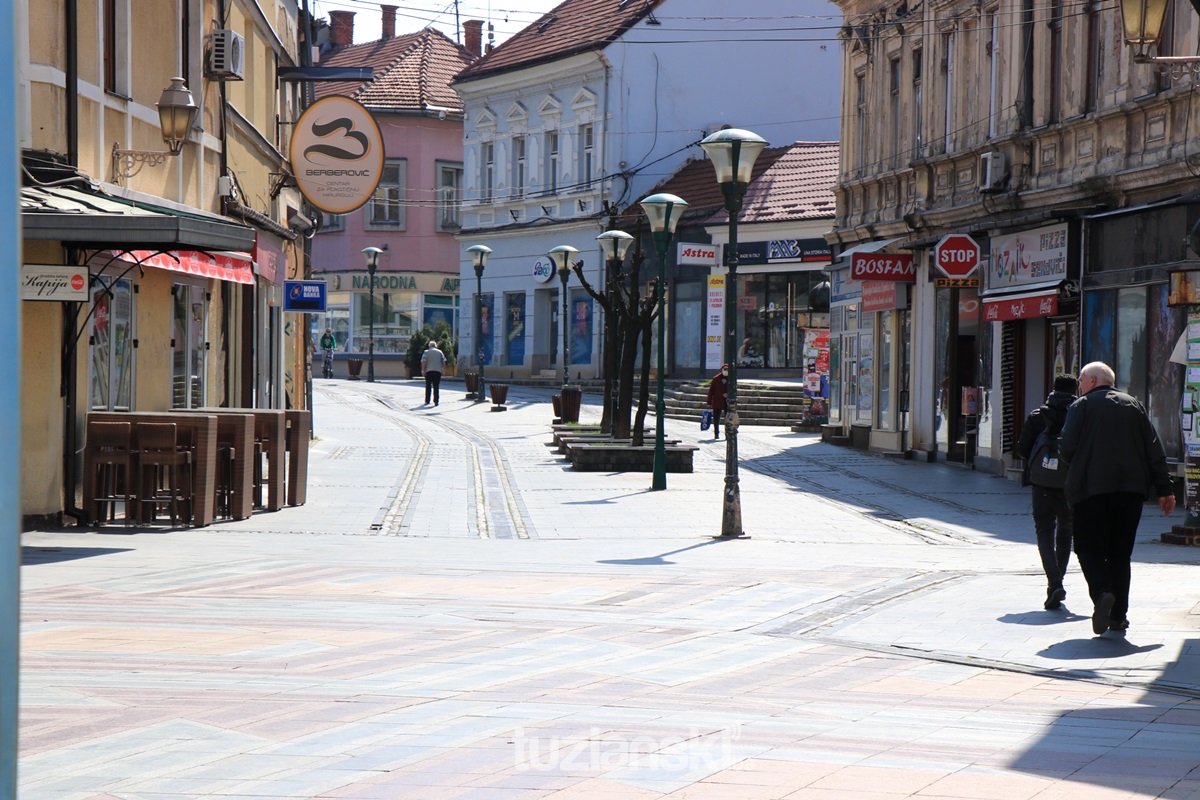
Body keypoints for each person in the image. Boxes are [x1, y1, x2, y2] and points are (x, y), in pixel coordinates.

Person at [1059, 361, 1176, 635]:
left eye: (1080, 381)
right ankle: (1118, 616)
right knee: (1120, 555)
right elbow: (1154, 450)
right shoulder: (1133, 405)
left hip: (1091, 491)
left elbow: (1067, 448)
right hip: (1131, 493)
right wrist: (1165, 490)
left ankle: (1101, 593)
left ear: (1091, 381)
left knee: (1088, 548)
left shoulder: (1081, 407)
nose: (1078, 386)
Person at [1016, 375, 1078, 610]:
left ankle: (1054, 583)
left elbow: (1022, 450)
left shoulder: (1037, 416)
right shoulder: (1079, 415)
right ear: (1076, 391)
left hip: (1041, 485)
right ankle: (1057, 583)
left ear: (1053, 390)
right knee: (1065, 533)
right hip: (1069, 485)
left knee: (1044, 533)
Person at [706, 364, 729, 441]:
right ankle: (716, 433)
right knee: (716, 418)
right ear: (722, 370)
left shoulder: (731, 378)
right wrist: (709, 402)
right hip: (717, 401)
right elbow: (711, 391)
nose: (726, 371)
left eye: (727, 370)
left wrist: (728, 394)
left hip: (727, 402)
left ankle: (728, 433)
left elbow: (734, 389)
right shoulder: (716, 379)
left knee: (728, 419)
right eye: (724, 369)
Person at [421, 340, 447, 406]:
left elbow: (424, 361)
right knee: (436, 386)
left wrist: (423, 370)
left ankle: (427, 400)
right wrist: (443, 370)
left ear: (429, 346)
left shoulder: (426, 352)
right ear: (436, 346)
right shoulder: (440, 352)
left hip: (429, 371)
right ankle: (436, 401)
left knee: (428, 386)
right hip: (437, 371)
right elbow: (443, 361)